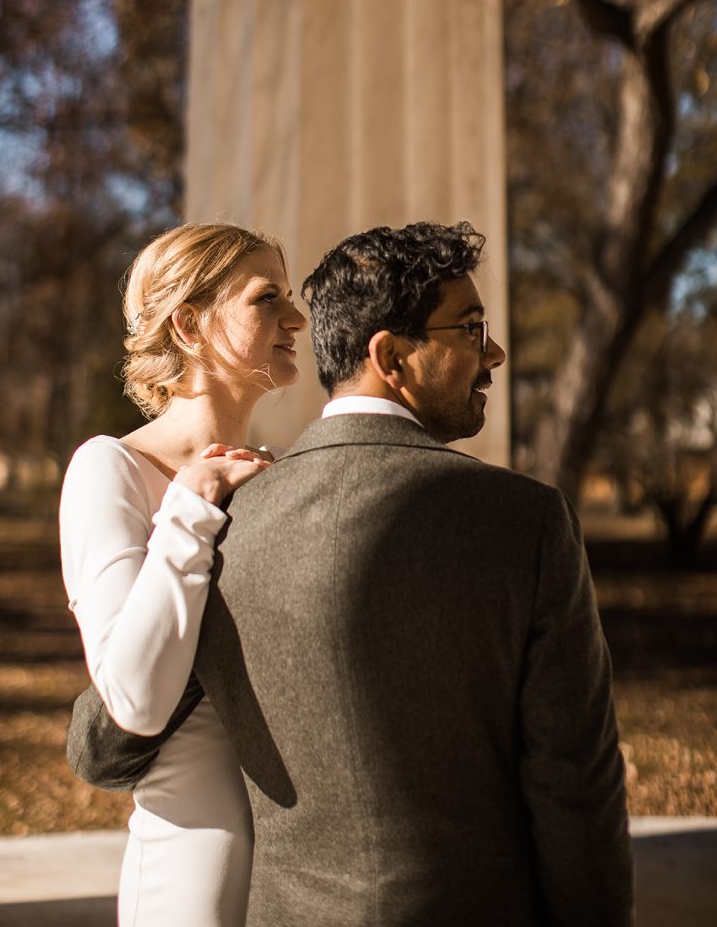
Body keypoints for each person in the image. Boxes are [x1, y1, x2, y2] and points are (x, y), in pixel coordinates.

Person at [195, 220, 634, 927]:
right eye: (470, 328)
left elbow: (109, 741)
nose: (494, 351)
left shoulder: (221, 525)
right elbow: (573, 782)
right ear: (391, 356)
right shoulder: (526, 522)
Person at [59, 222, 306, 927]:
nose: (296, 318)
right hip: (194, 875)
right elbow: (135, 699)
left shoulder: (286, 470)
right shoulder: (109, 470)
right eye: (267, 300)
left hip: (309, 864)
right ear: (190, 324)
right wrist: (191, 507)